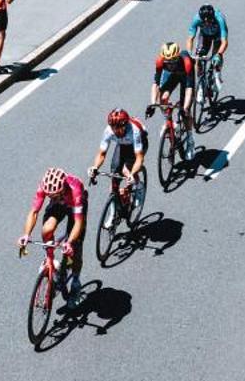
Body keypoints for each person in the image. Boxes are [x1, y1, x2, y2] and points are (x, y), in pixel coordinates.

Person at [18, 167, 88, 305]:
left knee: (75, 246)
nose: (53, 198)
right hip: (60, 206)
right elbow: (34, 212)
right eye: (50, 196)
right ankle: (49, 259)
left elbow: (78, 223)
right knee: (46, 229)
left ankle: (75, 281)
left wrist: (70, 242)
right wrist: (26, 234)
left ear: (63, 188)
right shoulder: (46, 188)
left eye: (56, 195)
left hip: (75, 204)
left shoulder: (76, 188)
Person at [88, 109, 148, 223]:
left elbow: (139, 158)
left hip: (139, 144)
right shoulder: (108, 131)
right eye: (113, 127)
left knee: (126, 170)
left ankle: (139, 187)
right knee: (114, 180)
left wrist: (132, 174)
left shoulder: (134, 131)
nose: (115, 130)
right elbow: (101, 153)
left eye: (118, 128)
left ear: (125, 125)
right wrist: (95, 167)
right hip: (122, 146)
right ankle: (112, 213)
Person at [148, 41, 197, 138]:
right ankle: (169, 122)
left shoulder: (186, 62)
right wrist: (153, 104)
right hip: (173, 75)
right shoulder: (160, 61)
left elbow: (189, 89)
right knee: (162, 97)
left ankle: (190, 138)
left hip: (185, 77)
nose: (170, 64)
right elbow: (156, 84)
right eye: (168, 62)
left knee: (185, 112)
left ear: (178, 56)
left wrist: (186, 108)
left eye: (173, 61)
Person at [189, 3, 229, 86]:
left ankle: (217, 73)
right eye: (204, 22)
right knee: (198, 57)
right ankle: (200, 84)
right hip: (205, 36)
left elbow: (224, 42)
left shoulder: (219, 19)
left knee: (216, 58)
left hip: (218, 35)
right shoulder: (196, 19)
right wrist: (190, 53)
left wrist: (219, 54)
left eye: (209, 21)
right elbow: (190, 38)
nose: (207, 23)